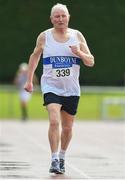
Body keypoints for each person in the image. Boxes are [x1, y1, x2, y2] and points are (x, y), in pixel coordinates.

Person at [24, 3, 94, 174]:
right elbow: (34, 57)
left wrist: (79, 53)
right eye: (57, 16)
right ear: (51, 19)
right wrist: (29, 80)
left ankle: (62, 157)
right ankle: (54, 159)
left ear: (68, 17)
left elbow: (90, 61)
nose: (60, 19)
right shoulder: (44, 37)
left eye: (63, 15)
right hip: (51, 87)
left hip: (71, 89)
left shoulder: (77, 36)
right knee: (54, 121)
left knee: (68, 128)